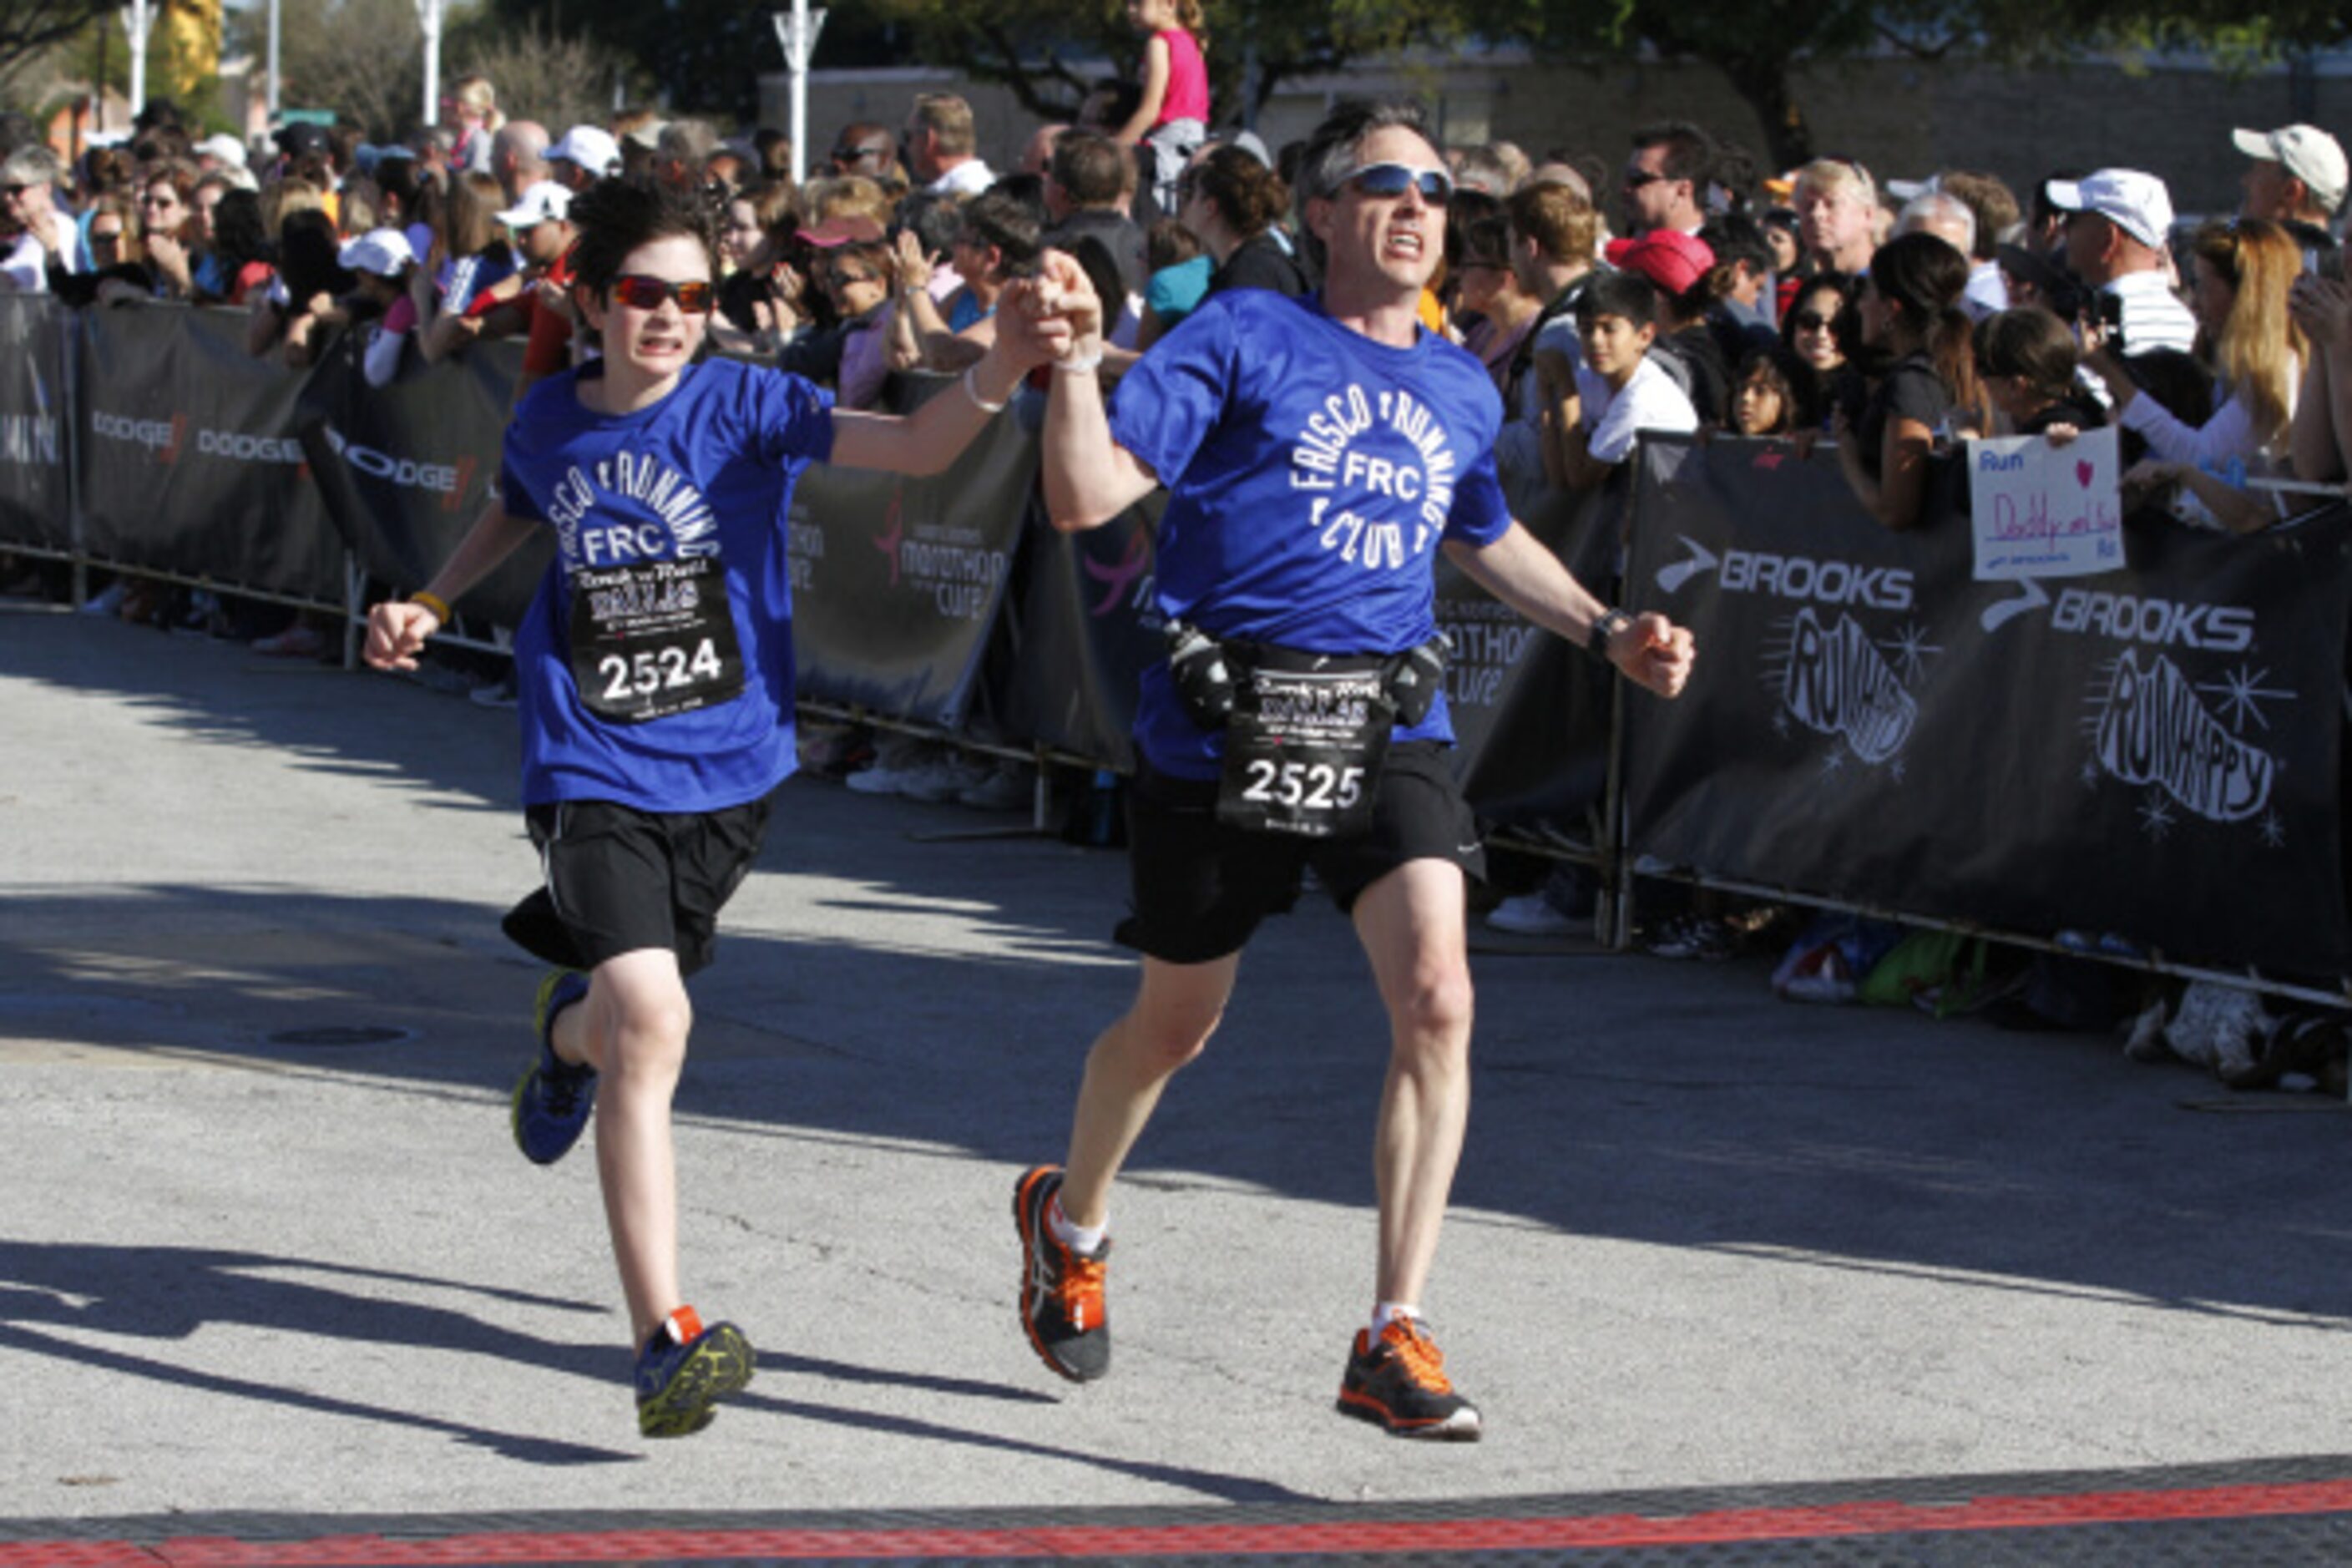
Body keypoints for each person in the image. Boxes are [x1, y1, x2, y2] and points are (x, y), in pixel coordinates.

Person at [1005, 98, 1694, 1441]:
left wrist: (1606, 628)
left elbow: (1483, 534)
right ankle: (1069, 1217)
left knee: (1439, 995)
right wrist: (1081, 369)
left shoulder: (1454, 377)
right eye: (1385, 185)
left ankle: (1394, 1327)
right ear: (1322, 212)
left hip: (1385, 722)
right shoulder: (1242, 335)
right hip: (1221, 725)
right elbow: (1086, 499)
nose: (1417, 209)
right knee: (1175, 1026)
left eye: (1437, 192)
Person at [362, 175, 1070, 1439]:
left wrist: (1004, 365)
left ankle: (563, 1029)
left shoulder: (747, 402)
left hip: (731, 766)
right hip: (585, 760)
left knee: (624, 1021)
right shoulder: (544, 419)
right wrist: (429, 595)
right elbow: (516, 511)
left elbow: (909, 447)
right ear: (592, 301)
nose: (672, 317)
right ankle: (663, 1338)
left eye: (694, 296)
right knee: (661, 1020)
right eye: (645, 294)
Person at [2083, 217, 2304, 469]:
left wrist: (2113, 376)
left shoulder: (2278, 372)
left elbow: (2200, 455)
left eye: (2202, 287)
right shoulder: (2233, 368)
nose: (2194, 304)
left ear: (2245, 295)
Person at [1834, 230, 1979, 530]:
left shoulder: (1913, 382)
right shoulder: (1939, 366)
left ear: (1891, 308)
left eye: (1868, 293)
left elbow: (1896, 511)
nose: (1860, 306)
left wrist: (1847, 454)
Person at [1561, 268, 1700, 488]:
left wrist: (1564, 392)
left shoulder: (1642, 399)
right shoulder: (1593, 379)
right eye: (1587, 330)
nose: (1596, 340)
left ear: (1644, 336)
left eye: (1609, 329)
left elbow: (1579, 479)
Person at [2051, 168, 2197, 357]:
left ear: (2108, 238)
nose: (2062, 230)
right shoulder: (2186, 319)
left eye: (2071, 220)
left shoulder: (2102, 325)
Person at [1110, 0, 1208, 212]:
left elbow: (1149, 110)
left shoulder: (1159, 43)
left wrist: (1113, 149)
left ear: (1169, 4)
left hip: (1168, 139)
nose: (1130, 10)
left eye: (1138, 3)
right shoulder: (1192, 42)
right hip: (1193, 138)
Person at [1975, 306, 2105, 436]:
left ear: (2017, 385)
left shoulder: (2064, 434)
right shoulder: (2089, 411)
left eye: (1983, 369)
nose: (1980, 380)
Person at [2233, 123, 2345, 271]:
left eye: (2258, 171)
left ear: (2291, 191)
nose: (2245, 181)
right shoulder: (2340, 277)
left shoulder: (2242, 268)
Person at [1620, 120, 1709, 239]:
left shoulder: (1719, 253)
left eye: (1637, 178)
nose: (1625, 188)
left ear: (1682, 190)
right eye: (1626, 176)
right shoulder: (1625, 250)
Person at [1792, 157, 1876, 280]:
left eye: (1831, 204)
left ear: (1868, 215)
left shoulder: (1890, 288)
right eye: (1808, 205)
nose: (1816, 214)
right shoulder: (1801, 290)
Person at [904, 94, 994, 197]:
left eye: (908, 136)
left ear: (930, 139)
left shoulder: (957, 196)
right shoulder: (990, 185)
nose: (907, 147)